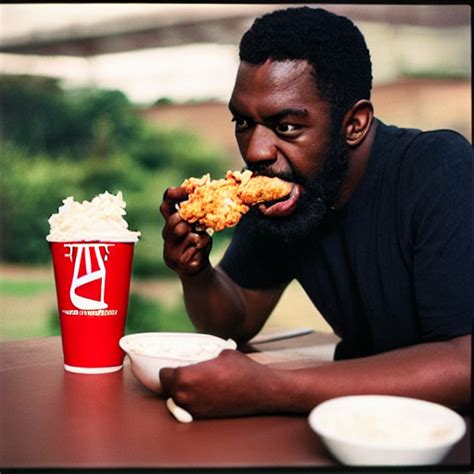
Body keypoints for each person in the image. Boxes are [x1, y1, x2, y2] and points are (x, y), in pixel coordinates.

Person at [159, 6, 472, 418]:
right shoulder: (288, 195)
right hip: (355, 426)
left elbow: (464, 365)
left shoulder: (438, 169)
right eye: (243, 122)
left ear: (355, 124)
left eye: (286, 126)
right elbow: (235, 320)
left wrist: (270, 389)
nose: (256, 151)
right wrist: (197, 274)